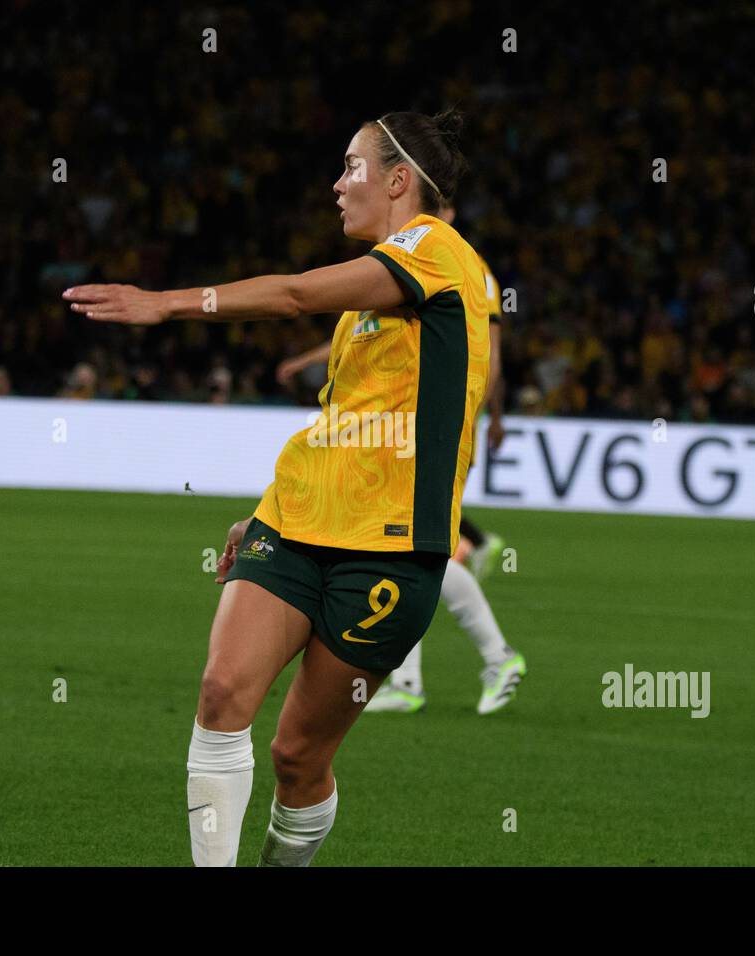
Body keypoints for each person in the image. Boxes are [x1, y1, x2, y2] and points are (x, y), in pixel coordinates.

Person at [64, 108, 487, 866]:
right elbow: (346, 419)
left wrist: (166, 304)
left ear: (398, 181)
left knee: (298, 758)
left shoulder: (436, 252)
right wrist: (267, 510)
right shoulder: (380, 295)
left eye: (351, 167)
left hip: (387, 552)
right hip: (291, 526)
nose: (336, 185)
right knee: (222, 695)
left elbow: (292, 295)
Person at [276, 205, 525, 715]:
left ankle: (495, 656)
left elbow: (489, 352)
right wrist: (307, 362)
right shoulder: (397, 261)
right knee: (391, 546)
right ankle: (409, 679)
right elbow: (361, 326)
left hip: (427, 434)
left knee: (417, 547)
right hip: (387, 436)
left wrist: (474, 418)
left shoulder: (466, 266)